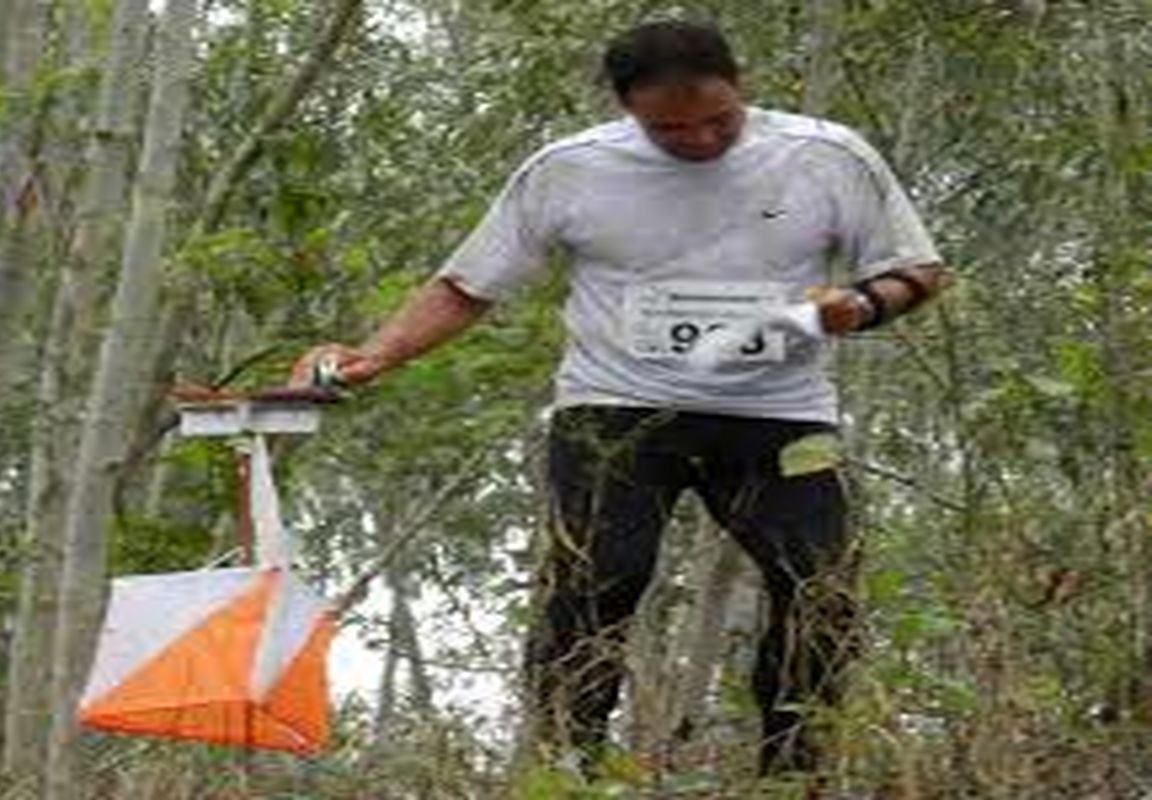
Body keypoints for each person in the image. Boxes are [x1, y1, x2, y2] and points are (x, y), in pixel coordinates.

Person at [292, 20, 946, 774]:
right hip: (617, 411)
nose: (700, 141)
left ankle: (796, 772)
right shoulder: (569, 170)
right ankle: (566, 768)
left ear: (744, 86)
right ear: (625, 108)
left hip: (781, 416)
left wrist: (862, 307)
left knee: (821, 591)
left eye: (718, 120)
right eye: (671, 130)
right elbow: (468, 285)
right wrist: (375, 354)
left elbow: (917, 270)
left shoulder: (827, 155)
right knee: (598, 580)